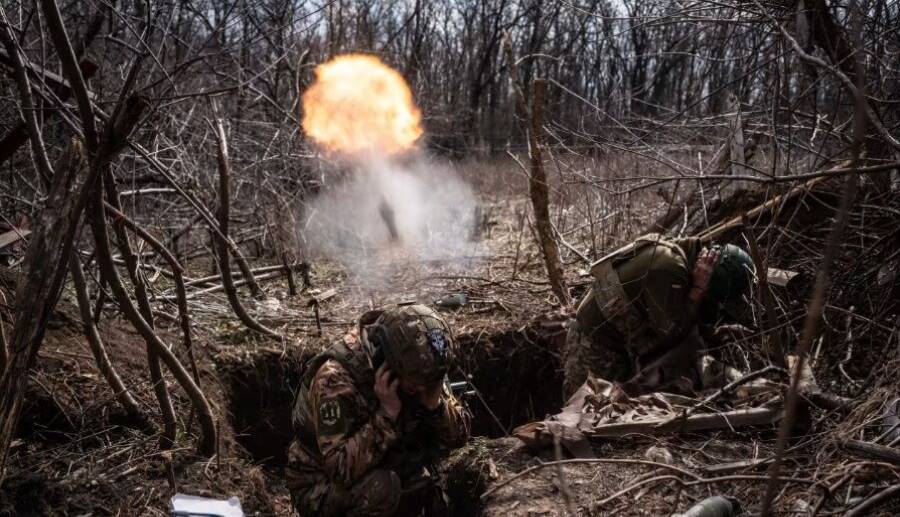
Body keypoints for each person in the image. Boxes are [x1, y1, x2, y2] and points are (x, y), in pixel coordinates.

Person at [286, 304, 471, 517]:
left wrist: (435, 407)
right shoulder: (335, 379)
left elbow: (459, 439)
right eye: (415, 384)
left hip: (387, 463)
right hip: (319, 482)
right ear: (389, 364)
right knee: (382, 489)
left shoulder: (424, 365)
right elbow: (339, 470)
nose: (421, 389)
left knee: (432, 497)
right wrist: (387, 415)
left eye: (426, 384)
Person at [563, 233, 755, 397]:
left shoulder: (684, 255)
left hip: (612, 339)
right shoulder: (670, 269)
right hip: (593, 342)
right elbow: (671, 332)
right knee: (588, 410)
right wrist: (697, 290)